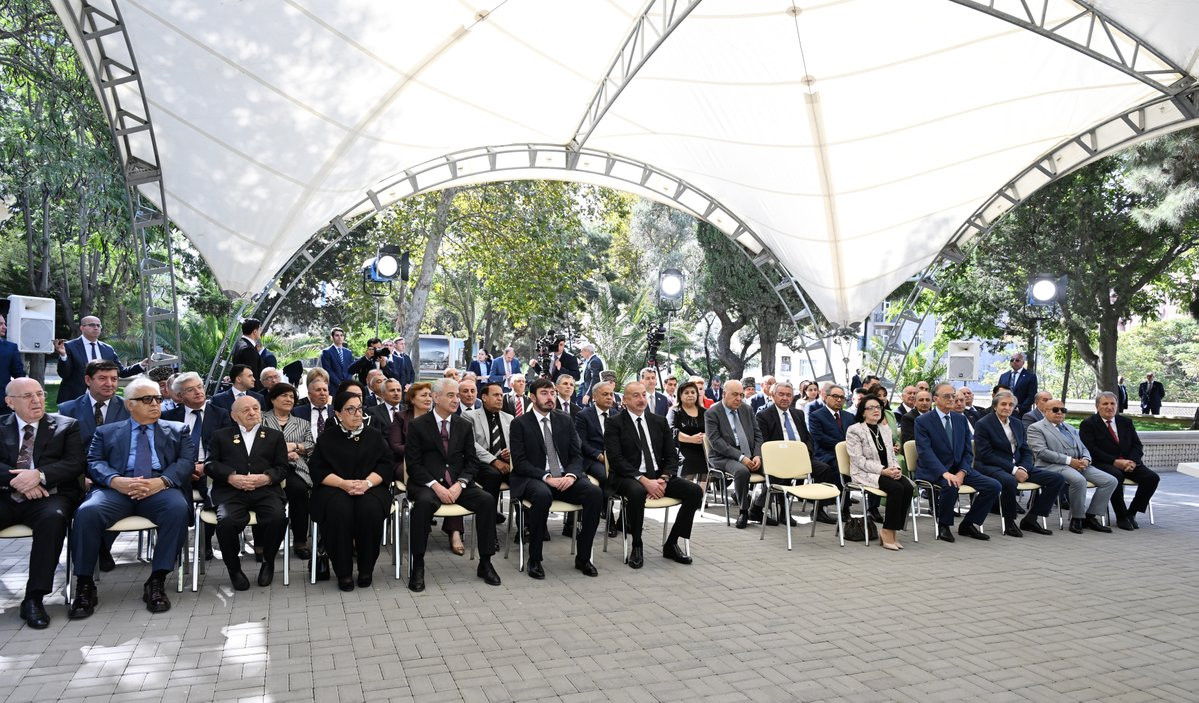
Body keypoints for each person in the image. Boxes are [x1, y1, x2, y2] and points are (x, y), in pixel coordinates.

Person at [69, 376, 195, 618]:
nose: (155, 404)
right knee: (87, 512)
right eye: (147, 399)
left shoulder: (177, 430)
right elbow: (93, 462)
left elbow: (186, 462)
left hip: (159, 488)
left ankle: (157, 581)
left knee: (177, 509)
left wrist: (161, 482)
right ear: (130, 405)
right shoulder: (105, 432)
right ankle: (84, 585)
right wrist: (115, 480)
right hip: (116, 489)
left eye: (158, 399)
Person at [0, 378, 84, 628]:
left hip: (49, 496)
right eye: (28, 396)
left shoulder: (66, 425)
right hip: (5, 495)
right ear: (10, 402)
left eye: (39, 394)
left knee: (53, 520)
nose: (37, 400)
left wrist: (39, 476)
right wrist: (20, 481)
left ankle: (34, 598)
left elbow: (75, 463)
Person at [404, 379, 501, 592]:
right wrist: (435, 486)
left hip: (458, 484)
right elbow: (413, 464)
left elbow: (472, 462)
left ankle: (485, 562)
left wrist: (461, 484)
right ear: (436, 397)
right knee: (423, 505)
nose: (456, 399)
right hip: (428, 484)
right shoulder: (417, 426)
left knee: (486, 500)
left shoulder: (463, 425)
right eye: (451, 395)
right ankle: (417, 564)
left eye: (457, 395)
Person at [509, 377, 603, 579]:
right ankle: (535, 559)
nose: (550, 397)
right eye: (544, 393)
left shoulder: (565, 420)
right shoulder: (519, 424)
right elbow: (520, 462)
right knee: (542, 496)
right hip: (535, 478)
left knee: (595, 493)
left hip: (565, 477)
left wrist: (571, 475)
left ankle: (583, 557)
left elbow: (576, 455)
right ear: (532, 397)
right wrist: (546, 477)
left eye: (552, 393)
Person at [604, 381, 700, 568]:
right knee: (637, 492)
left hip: (658, 476)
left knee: (694, 491)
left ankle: (671, 543)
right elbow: (616, 460)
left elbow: (671, 456)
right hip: (628, 476)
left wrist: (664, 478)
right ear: (625, 400)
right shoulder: (614, 423)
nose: (641, 399)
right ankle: (637, 544)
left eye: (643, 395)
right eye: (635, 396)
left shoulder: (659, 421)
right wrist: (644, 481)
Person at [308, 390, 393, 591]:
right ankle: (343, 572)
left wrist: (367, 483)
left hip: (370, 487)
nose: (357, 414)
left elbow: (385, 465)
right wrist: (343, 484)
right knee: (339, 511)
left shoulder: (374, 435)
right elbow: (318, 470)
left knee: (369, 510)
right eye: (350, 409)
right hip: (335, 487)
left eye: (359, 409)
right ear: (338, 414)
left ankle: (366, 569)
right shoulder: (327, 437)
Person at [205, 396, 288, 590]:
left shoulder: (275, 436)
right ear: (234, 416)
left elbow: (283, 468)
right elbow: (210, 464)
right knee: (226, 522)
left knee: (277, 518)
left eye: (255, 408)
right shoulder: (220, 436)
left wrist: (266, 478)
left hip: (265, 491)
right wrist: (230, 477)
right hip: (231, 492)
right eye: (246, 410)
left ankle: (268, 561)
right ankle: (234, 569)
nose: (252, 413)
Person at [914, 382, 999, 542]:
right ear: (935, 399)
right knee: (950, 485)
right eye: (946, 396)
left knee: (993, 486)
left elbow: (968, 451)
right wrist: (945, 473)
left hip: (959, 469)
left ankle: (968, 524)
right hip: (935, 470)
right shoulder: (923, 421)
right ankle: (944, 526)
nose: (951, 399)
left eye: (953, 396)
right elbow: (925, 452)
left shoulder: (960, 419)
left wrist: (962, 472)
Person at [162, 371, 233, 561]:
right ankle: (177, 540)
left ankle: (205, 541)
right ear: (179, 396)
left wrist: (204, 466)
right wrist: (185, 468)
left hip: (208, 470)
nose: (198, 392)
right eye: (190, 390)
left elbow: (225, 448)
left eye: (200, 387)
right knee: (173, 500)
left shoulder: (221, 414)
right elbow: (165, 450)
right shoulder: (168, 417)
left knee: (213, 494)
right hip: (179, 471)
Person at [972, 390, 1064, 537]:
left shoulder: (1016, 423)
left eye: (1011, 405)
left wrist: (1022, 468)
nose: (1007, 407)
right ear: (995, 406)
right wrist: (1014, 470)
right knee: (1009, 481)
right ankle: (1009, 522)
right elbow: (986, 455)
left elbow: (1026, 450)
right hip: (991, 466)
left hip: (1018, 466)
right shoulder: (983, 424)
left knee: (1056, 479)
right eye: (1003, 404)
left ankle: (1031, 519)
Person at [1026, 397, 1117, 534]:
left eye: (1063, 410)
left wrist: (1086, 459)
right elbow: (1041, 452)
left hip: (1079, 464)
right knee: (1079, 481)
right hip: (1052, 466)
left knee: (1110, 481)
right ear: (1045, 411)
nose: (1059, 412)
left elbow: (1083, 447)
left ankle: (1090, 517)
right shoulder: (1036, 428)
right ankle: (1077, 518)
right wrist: (1070, 461)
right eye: (1055, 410)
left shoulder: (1070, 427)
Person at [1078, 391, 1160, 530]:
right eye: (1105, 403)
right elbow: (1091, 449)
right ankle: (1121, 516)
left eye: (1113, 403)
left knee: (1152, 478)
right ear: (1097, 406)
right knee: (1116, 476)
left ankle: (1131, 513)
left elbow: (1137, 445)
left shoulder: (1125, 422)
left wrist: (1132, 461)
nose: (1109, 407)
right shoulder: (1088, 424)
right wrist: (1115, 461)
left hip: (1128, 462)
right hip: (1104, 462)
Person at [844, 396, 914, 550]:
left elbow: (891, 455)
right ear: (863, 412)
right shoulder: (855, 430)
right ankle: (887, 531)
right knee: (896, 488)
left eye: (878, 407)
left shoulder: (885, 429)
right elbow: (858, 460)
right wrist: (883, 471)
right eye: (871, 408)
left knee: (908, 487)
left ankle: (894, 530)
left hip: (887, 471)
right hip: (864, 473)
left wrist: (896, 469)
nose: (876, 410)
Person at [754, 381, 827, 526]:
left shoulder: (798, 414)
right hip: (777, 458)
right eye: (781, 394)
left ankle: (819, 511)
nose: (785, 398)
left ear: (793, 397)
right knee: (782, 473)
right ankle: (781, 511)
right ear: (773, 395)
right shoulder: (764, 416)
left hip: (800, 458)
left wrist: (807, 452)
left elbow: (808, 438)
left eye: (788, 395)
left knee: (824, 469)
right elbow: (764, 442)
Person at [260, 382, 315, 559]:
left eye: (292, 397)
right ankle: (261, 543)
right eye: (284, 395)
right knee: (261, 492)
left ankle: (300, 541)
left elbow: (310, 446)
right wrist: (284, 452)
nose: (289, 399)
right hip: (266, 467)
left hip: (294, 469)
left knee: (299, 491)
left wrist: (296, 446)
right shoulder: (261, 419)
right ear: (273, 399)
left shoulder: (302, 423)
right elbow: (256, 445)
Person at [703, 380, 763, 529]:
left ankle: (757, 507)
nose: (739, 398)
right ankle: (744, 511)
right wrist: (741, 458)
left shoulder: (746, 409)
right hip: (722, 456)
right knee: (742, 471)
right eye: (735, 394)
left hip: (749, 453)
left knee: (776, 470)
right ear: (724, 394)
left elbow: (758, 435)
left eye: (741, 395)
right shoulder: (712, 413)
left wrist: (757, 455)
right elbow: (716, 442)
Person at [52, 316, 145, 404]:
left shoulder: (107, 349)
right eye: (92, 325)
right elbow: (64, 374)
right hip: (74, 399)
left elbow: (121, 372)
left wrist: (141, 365)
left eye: (98, 325)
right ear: (82, 328)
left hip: (101, 399)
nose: (96, 328)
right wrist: (63, 355)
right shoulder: (69, 346)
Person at [463, 382, 513, 529]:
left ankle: (526, 526)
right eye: (496, 395)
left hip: (506, 462)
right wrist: (494, 461)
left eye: (501, 395)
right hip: (481, 463)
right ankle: (489, 528)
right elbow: (470, 443)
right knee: (493, 475)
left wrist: (511, 452)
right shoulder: (469, 416)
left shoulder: (509, 418)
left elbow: (516, 441)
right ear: (484, 397)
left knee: (523, 476)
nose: (500, 398)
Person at [807, 384, 854, 523]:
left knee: (853, 465)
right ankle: (824, 509)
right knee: (838, 466)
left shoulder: (849, 417)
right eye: (835, 396)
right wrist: (842, 445)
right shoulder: (816, 415)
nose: (839, 400)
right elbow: (819, 437)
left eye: (842, 397)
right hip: (825, 453)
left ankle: (846, 506)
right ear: (826, 397)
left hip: (846, 453)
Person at [670, 381, 707, 482]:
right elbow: (671, 430)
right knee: (688, 462)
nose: (690, 395)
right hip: (683, 449)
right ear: (680, 395)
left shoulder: (705, 412)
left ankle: (702, 492)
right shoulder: (675, 411)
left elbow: (712, 429)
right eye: (686, 393)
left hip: (703, 449)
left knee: (707, 465)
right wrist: (691, 439)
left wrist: (705, 436)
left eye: (693, 392)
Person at [0, 315, 26, 414]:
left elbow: (19, 375)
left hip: (2, 404)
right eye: (1, 324)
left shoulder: (10, 348)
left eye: (4, 323)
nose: (5, 327)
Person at [998, 352, 1038, 417]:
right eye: (1012, 360)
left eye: (1017, 360)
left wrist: (1019, 408)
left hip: (1021, 413)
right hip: (1004, 411)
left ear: (1023, 362)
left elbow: (1032, 395)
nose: (1014, 362)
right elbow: (998, 393)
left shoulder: (1030, 376)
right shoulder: (1004, 376)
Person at [230, 318, 264, 391]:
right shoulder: (248, 349)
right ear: (255, 331)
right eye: (260, 329)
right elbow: (250, 376)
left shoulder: (239, 344)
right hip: (249, 392)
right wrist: (256, 394)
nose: (260, 332)